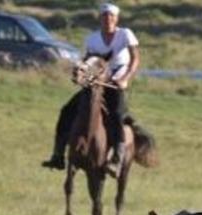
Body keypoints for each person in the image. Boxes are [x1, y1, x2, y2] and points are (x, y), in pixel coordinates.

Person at [41, 3, 140, 178]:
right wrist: (81, 74)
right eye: (105, 16)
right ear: (100, 19)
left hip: (116, 84)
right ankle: (58, 155)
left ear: (116, 19)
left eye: (111, 16)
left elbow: (135, 59)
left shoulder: (125, 34)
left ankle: (117, 159)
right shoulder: (92, 39)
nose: (108, 19)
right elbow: (88, 61)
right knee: (67, 110)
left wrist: (125, 79)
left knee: (117, 115)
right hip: (96, 84)